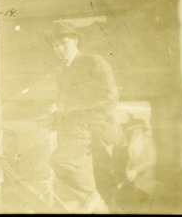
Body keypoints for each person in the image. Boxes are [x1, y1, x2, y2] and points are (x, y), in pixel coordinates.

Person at [45, 22, 123, 213]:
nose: (59, 48)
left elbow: (110, 98)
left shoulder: (93, 61)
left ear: (76, 40)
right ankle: (96, 205)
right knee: (87, 181)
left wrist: (82, 118)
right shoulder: (62, 71)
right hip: (72, 131)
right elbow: (67, 105)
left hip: (92, 130)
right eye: (56, 45)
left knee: (59, 160)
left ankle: (92, 199)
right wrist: (55, 116)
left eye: (63, 43)